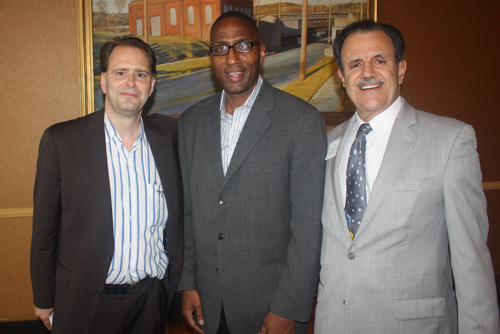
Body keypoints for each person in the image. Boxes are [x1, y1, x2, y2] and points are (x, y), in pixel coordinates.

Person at [315, 20, 500, 333]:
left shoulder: (450, 140)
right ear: (342, 78)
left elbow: (472, 264)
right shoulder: (328, 144)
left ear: (400, 69)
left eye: (380, 60)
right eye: (355, 64)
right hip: (335, 323)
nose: (368, 72)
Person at [177, 11, 327, 334]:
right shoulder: (190, 123)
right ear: (211, 57)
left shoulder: (301, 121)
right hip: (209, 305)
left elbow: (308, 228)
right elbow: (188, 214)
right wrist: (187, 281)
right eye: (220, 48)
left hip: (271, 307)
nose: (231, 58)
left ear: (261, 51)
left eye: (242, 45)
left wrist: (288, 306)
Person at [30, 36, 184, 334]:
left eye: (140, 74)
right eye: (120, 72)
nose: (130, 82)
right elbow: (44, 232)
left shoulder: (172, 139)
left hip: (149, 301)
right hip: (84, 303)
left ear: (151, 85)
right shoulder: (62, 141)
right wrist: (43, 298)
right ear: (103, 81)